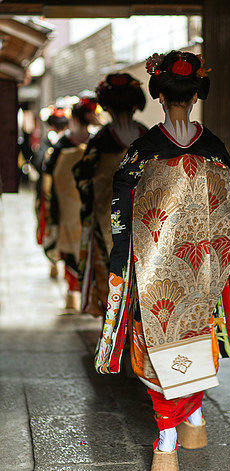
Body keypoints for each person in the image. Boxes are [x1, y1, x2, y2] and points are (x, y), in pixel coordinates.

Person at [94, 51, 230, 471]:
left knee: (156, 338)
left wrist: (120, 261)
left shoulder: (143, 152)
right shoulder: (214, 149)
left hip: (152, 267)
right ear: (196, 95)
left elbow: (120, 211)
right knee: (198, 333)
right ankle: (193, 420)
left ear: (158, 94)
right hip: (203, 266)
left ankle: (168, 441)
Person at [73, 73, 147, 317]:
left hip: (107, 217)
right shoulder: (148, 137)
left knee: (111, 271)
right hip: (147, 219)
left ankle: (113, 328)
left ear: (106, 105)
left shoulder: (102, 140)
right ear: (137, 104)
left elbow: (82, 177)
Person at [42, 97, 98, 311]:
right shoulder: (95, 143)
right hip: (90, 207)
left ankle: (73, 293)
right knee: (91, 249)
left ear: (73, 119)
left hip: (65, 207)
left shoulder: (61, 145)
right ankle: (88, 293)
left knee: (70, 252)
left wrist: (47, 203)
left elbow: (48, 176)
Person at [31, 107, 69, 278]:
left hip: (64, 193)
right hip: (51, 193)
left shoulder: (66, 141)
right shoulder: (49, 143)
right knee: (53, 226)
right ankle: (53, 261)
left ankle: (61, 263)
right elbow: (38, 162)